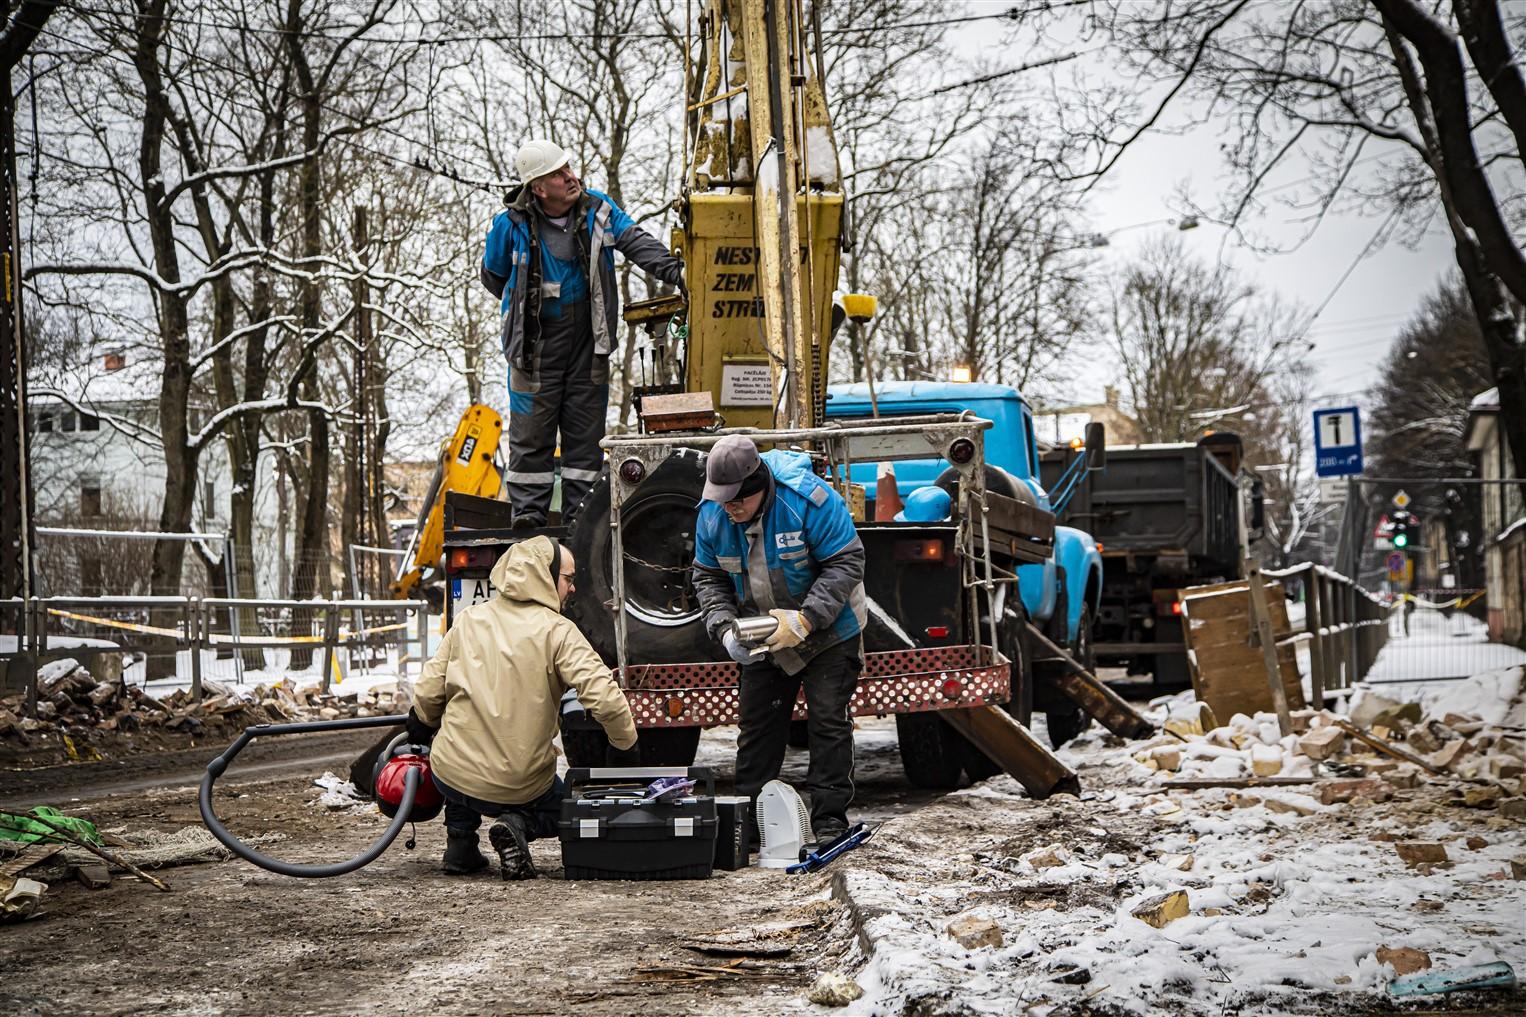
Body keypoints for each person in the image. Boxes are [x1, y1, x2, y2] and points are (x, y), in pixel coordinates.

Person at [407, 535, 640, 879]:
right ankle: (519, 824)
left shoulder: (469, 620)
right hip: (519, 783)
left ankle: (460, 844)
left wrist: (421, 724)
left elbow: (429, 690)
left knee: (457, 751)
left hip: (451, 774)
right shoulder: (559, 632)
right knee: (568, 809)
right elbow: (603, 695)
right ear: (544, 576)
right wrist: (625, 744)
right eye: (568, 579)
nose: (572, 589)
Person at [481, 138, 686, 527]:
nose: (570, 177)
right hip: (533, 352)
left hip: (588, 347)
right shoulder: (509, 226)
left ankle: (581, 522)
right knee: (530, 440)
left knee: (584, 443)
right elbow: (493, 276)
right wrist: (525, 310)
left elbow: (636, 242)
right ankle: (528, 519)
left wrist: (678, 274)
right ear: (538, 188)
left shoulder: (597, 209)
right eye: (558, 174)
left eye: (569, 168)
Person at [690, 435, 867, 847]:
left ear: (759, 486)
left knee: (827, 722)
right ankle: (748, 824)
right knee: (758, 727)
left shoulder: (808, 501)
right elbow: (708, 576)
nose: (731, 509)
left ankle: (829, 820)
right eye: (724, 501)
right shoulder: (713, 515)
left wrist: (806, 621)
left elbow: (846, 561)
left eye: (738, 501)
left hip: (829, 630)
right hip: (762, 634)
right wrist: (723, 627)